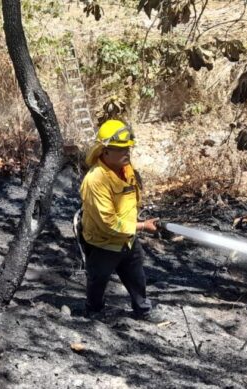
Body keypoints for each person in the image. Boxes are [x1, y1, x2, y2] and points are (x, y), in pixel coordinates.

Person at [79, 119, 162, 322]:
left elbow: (130, 200)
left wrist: (138, 220)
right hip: (103, 243)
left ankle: (143, 311)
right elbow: (107, 222)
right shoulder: (96, 180)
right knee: (98, 280)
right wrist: (142, 226)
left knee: (136, 277)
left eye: (128, 148)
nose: (127, 153)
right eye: (121, 149)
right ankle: (94, 312)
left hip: (128, 238)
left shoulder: (125, 169)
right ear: (105, 151)